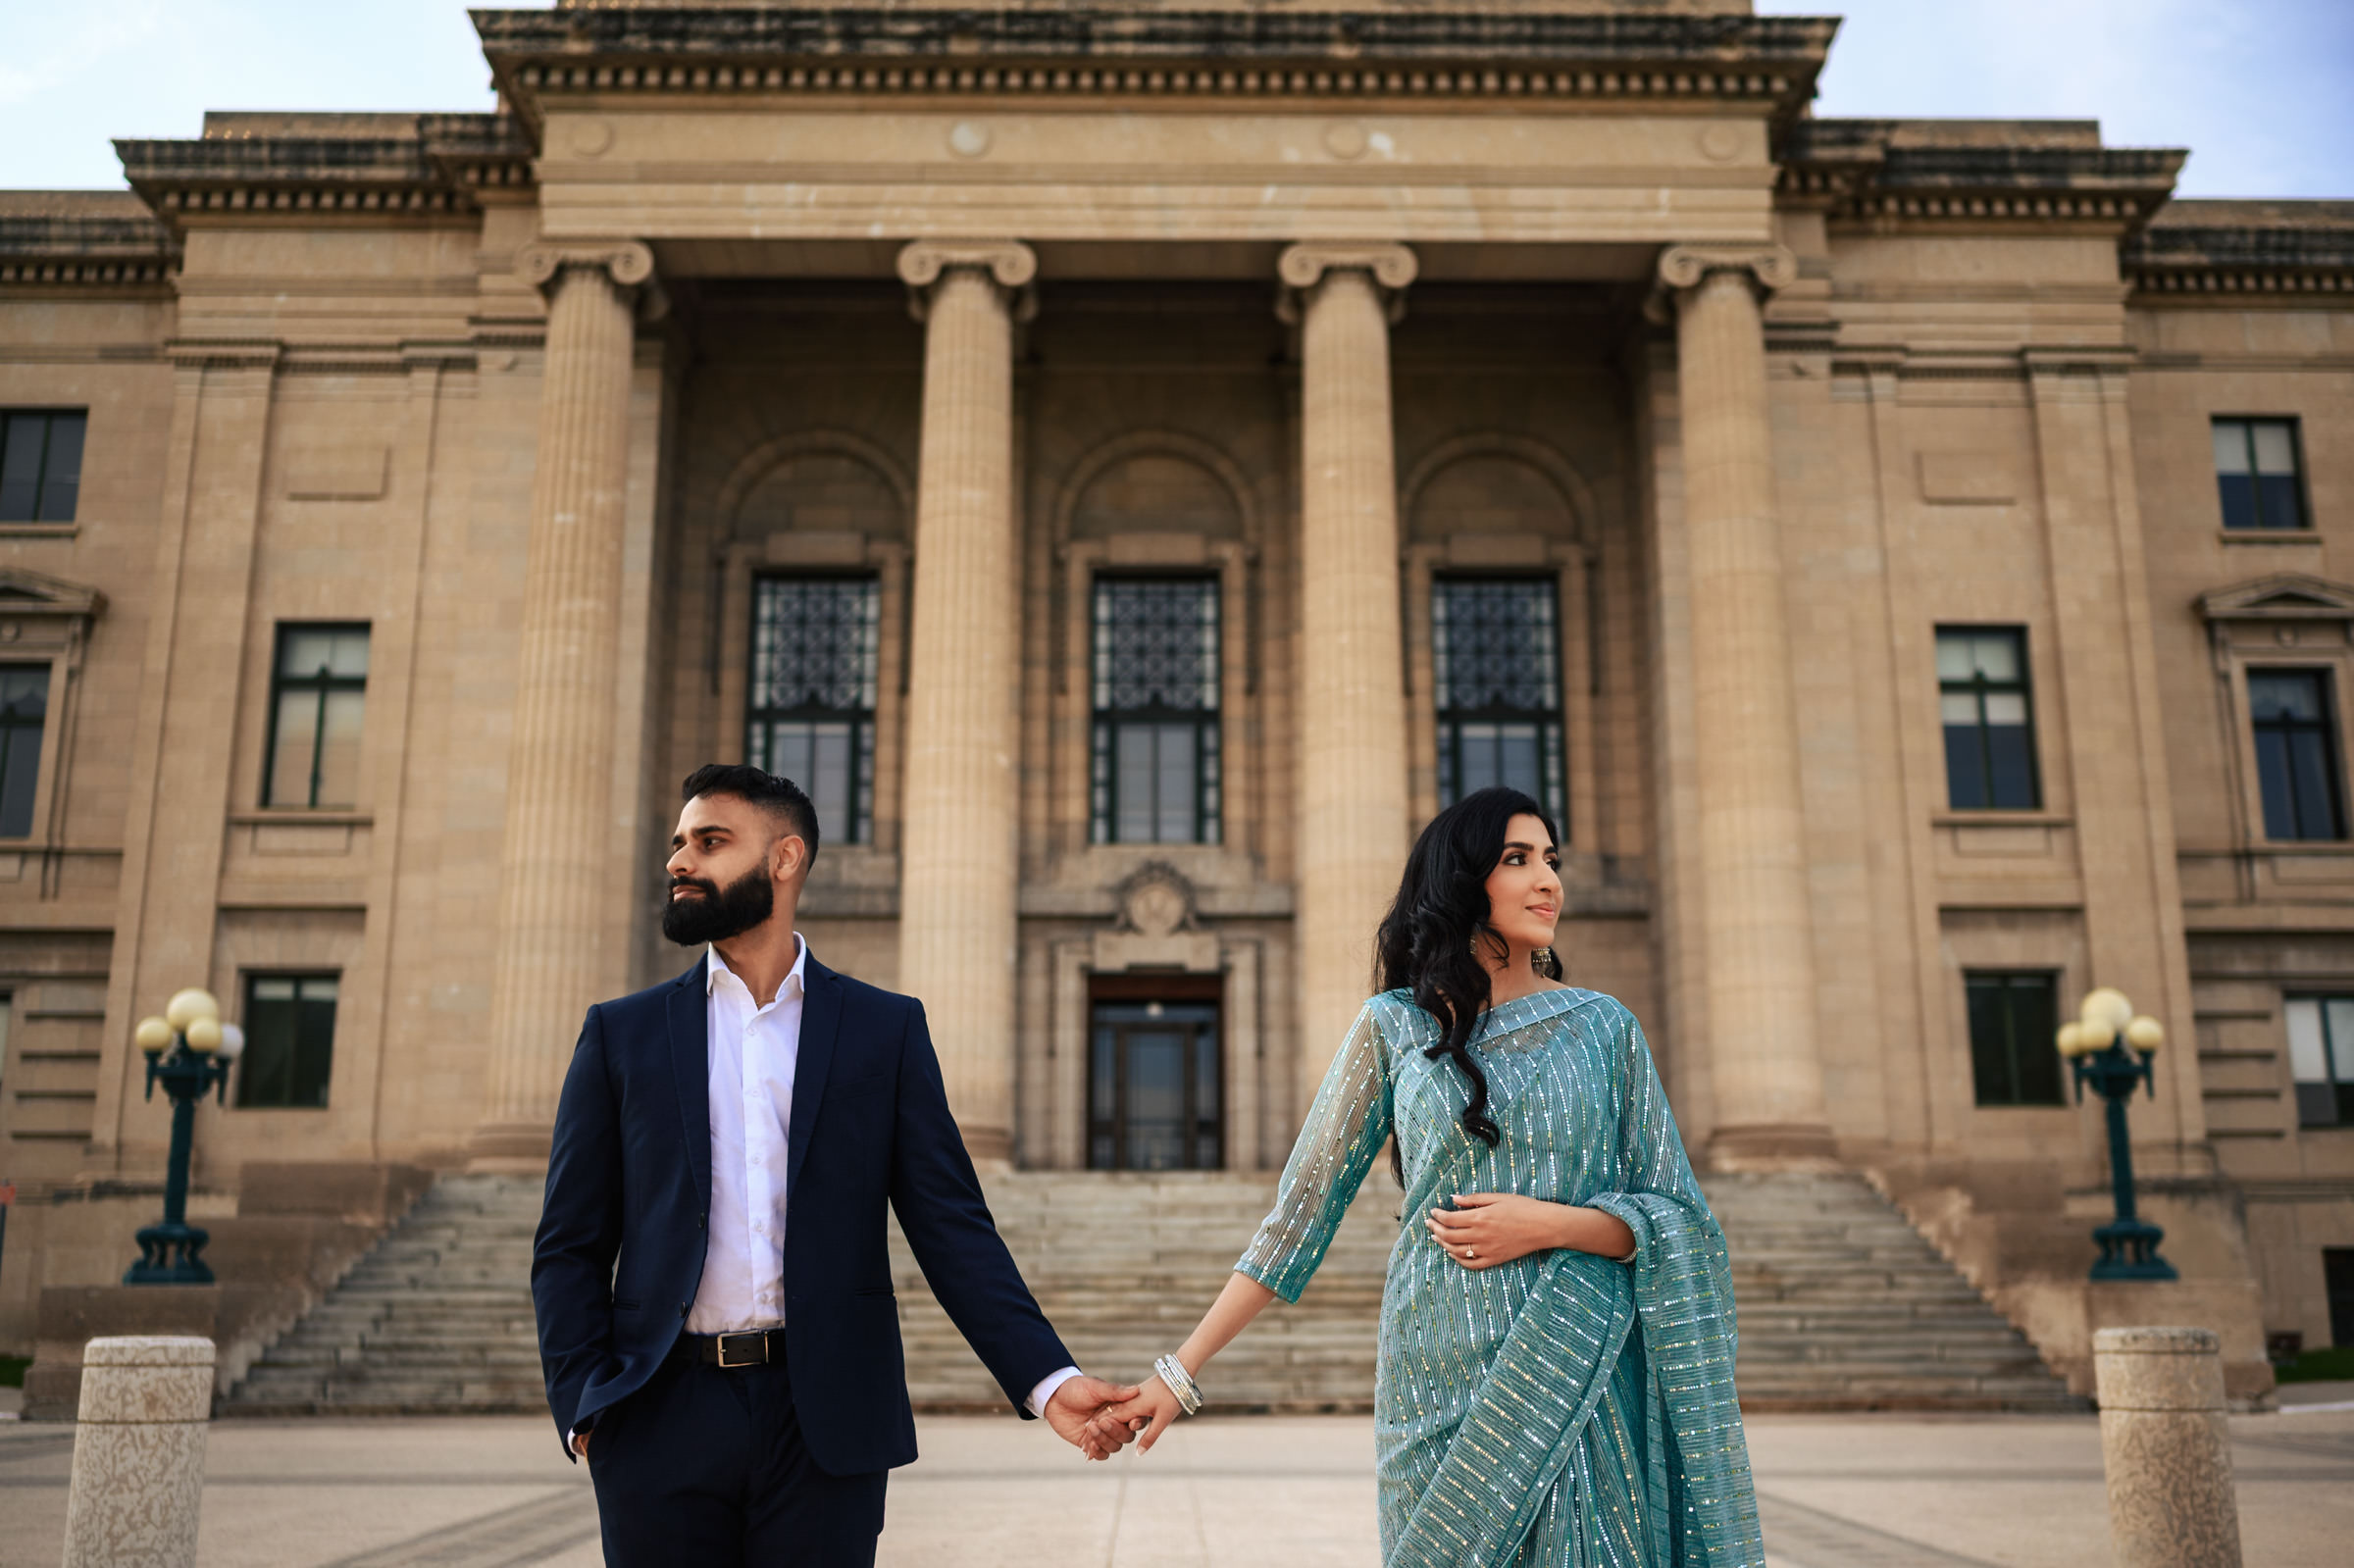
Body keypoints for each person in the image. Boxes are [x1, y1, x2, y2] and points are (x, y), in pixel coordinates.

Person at [1094, 785, 1765, 1567]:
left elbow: (1680, 1217)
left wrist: (1552, 1224)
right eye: (1519, 859)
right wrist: (1180, 1372)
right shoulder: (1394, 1026)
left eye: (1553, 859)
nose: (1548, 879)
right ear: (1461, 877)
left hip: (1575, 1363)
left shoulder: (1606, 1028)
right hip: (1433, 1376)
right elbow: (1300, 1215)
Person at [533, 764, 1138, 1566]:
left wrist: (1047, 1379)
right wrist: (584, 1400)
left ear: (785, 859)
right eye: (679, 842)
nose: (680, 859)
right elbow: (570, 1239)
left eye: (711, 841)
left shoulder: (882, 1031)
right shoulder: (622, 1035)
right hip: (657, 1416)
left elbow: (952, 1225)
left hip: (825, 1424)